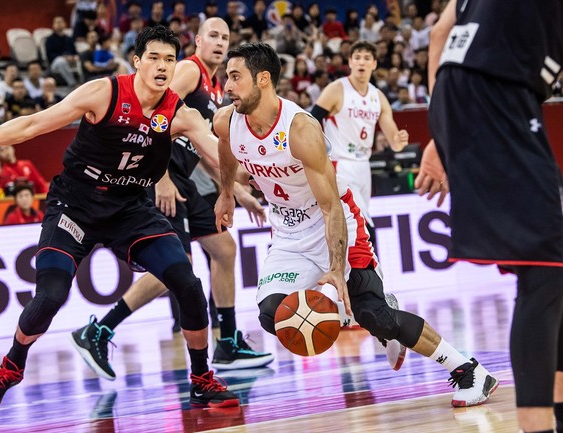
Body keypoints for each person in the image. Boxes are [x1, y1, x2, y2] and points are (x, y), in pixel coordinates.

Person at [0, 25, 239, 411]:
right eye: (153, 57)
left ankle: (201, 378)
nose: (162, 66)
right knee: (51, 295)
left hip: (130, 209)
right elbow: (34, 124)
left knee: (186, 281)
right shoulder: (105, 93)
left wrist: (234, 189)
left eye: (169, 59)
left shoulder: (179, 114)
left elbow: (222, 157)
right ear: (137, 62)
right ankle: (12, 364)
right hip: (76, 205)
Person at [213, 42, 499, 408]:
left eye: (235, 77)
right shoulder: (228, 120)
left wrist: (335, 271)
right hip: (288, 233)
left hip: (336, 219)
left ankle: (470, 371)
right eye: (227, 77)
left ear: (263, 79)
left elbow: (332, 207)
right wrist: (225, 193)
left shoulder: (300, 129)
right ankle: (368, 311)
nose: (227, 86)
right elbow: (225, 145)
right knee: (274, 316)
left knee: (374, 314)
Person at [70, 18, 273, 378]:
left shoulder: (214, 86)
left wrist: (239, 191)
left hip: (186, 177)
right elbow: (151, 118)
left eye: (225, 38)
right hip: (159, 177)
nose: (219, 43)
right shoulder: (187, 70)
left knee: (225, 251)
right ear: (197, 40)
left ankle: (226, 343)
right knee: (172, 269)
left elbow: (203, 150)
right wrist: (161, 179)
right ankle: (98, 330)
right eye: (212, 35)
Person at [416, 1, 563, 431]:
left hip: (475, 92)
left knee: (553, 273)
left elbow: (441, 32)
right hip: (495, 94)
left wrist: (440, 123)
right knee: (546, 271)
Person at [311, 40, 409, 244]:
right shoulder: (336, 89)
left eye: (366, 58)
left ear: (374, 64)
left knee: (352, 225)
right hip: (339, 163)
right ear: (350, 62)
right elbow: (311, 122)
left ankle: (348, 272)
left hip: (364, 166)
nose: (361, 62)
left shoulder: (378, 97)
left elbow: (395, 144)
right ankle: (369, 274)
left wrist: (399, 140)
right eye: (357, 58)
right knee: (361, 223)